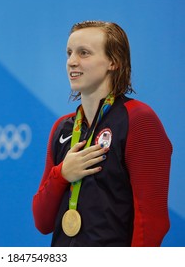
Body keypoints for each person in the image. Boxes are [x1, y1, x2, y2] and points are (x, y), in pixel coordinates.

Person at [32, 20, 172, 246]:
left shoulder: (138, 119)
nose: (72, 62)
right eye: (69, 53)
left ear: (113, 62)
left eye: (84, 53)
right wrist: (62, 174)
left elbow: (152, 222)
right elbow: (42, 221)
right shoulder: (63, 128)